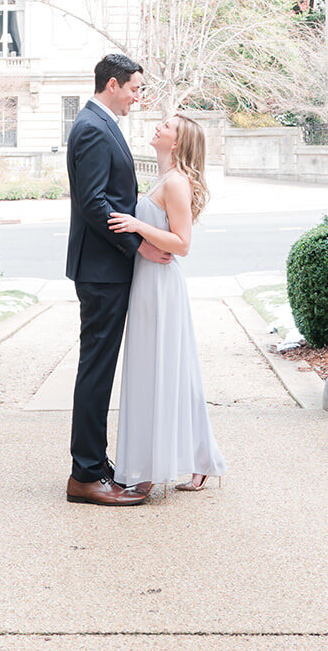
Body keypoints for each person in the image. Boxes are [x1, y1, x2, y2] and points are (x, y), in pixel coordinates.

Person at [65, 52, 171, 506]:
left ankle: (96, 465)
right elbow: (94, 203)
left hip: (107, 269)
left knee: (99, 368)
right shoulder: (91, 127)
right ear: (113, 84)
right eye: (134, 88)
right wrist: (139, 244)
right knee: (97, 370)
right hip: (102, 271)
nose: (137, 96)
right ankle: (86, 475)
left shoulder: (100, 123)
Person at [108, 112, 226, 492]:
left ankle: (150, 469)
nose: (158, 127)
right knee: (160, 369)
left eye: (167, 127)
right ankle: (195, 458)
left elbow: (183, 244)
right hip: (146, 282)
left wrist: (138, 226)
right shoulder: (162, 179)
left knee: (161, 369)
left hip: (161, 285)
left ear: (176, 142)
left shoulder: (176, 183)